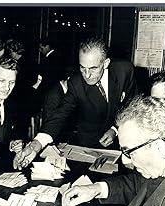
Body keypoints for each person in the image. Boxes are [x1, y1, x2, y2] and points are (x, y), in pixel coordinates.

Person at [13, 37, 138, 169]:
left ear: (105, 63)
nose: (87, 75)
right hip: (90, 141)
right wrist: (35, 145)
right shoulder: (76, 82)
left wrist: (115, 128)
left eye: (93, 68)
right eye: (82, 68)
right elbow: (60, 114)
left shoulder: (125, 71)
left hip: (124, 138)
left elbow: (132, 105)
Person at [63, 95, 165, 206]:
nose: (125, 159)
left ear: (160, 147)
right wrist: (97, 189)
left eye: (129, 152)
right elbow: (141, 184)